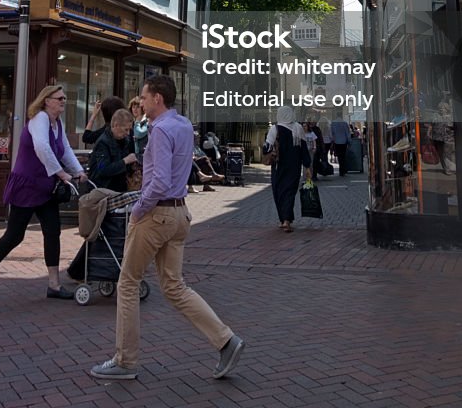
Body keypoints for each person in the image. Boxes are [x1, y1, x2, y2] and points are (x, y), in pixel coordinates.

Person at [91, 74, 244, 382]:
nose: (141, 102)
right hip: (179, 214)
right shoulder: (184, 125)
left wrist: (138, 209)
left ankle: (126, 360)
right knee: (174, 286)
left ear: (157, 98)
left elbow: (158, 180)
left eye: (144, 97)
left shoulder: (160, 130)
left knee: (128, 283)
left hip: (157, 215)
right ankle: (226, 340)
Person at [0, 84, 87, 300]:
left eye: (64, 98)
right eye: (59, 98)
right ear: (47, 100)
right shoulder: (39, 119)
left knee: (52, 231)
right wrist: (63, 174)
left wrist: (79, 171)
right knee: (14, 235)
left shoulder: (57, 123)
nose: (63, 101)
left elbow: (66, 150)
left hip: (46, 187)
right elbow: (41, 147)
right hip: (27, 185)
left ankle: (54, 284)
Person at [264, 106, 311, 232]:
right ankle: (286, 220)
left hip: (279, 167)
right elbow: (304, 149)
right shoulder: (298, 128)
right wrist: (307, 166)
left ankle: (285, 220)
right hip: (294, 167)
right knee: (290, 192)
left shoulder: (275, 129)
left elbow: (267, 147)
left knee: (278, 191)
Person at [88, 109, 138, 193]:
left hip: (120, 188)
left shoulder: (125, 140)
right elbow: (103, 169)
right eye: (126, 129)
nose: (128, 133)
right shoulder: (103, 143)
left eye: (129, 129)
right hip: (104, 190)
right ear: (116, 125)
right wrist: (125, 161)